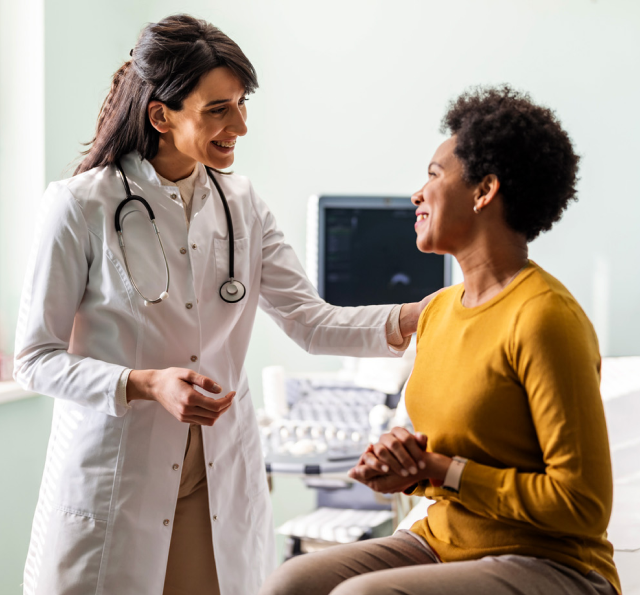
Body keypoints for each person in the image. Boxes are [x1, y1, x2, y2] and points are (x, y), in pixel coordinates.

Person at [13, 15, 434, 595]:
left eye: (240, 104)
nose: (239, 125)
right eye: (218, 109)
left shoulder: (241, 204)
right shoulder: (80, 206)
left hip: (215, 481)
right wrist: (145, 383)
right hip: (119, 481)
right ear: (161, 115)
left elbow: (311, 322)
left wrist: (426, 315)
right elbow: (35, 357)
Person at [260, 86, 621, 595]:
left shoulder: (544, 318)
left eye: (433, 176)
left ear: (483, 192)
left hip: (552, 560)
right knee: (291, 582)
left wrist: (443, 471)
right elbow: (452, 454)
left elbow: (582, 505)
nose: (416, 194)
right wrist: (405, 468)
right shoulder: (439, 312)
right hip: (446, 539)